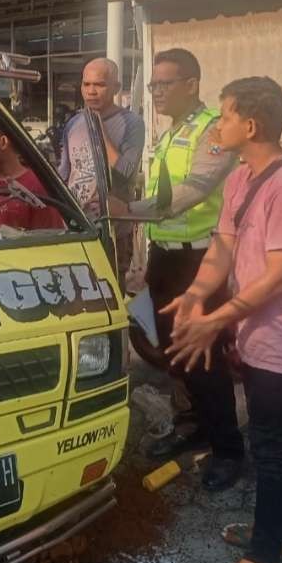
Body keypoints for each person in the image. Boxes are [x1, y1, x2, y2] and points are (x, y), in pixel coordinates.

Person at [166, 76, 282, 563]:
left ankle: (263, 555)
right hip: (260, 334)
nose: (218, 124)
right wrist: (196, 296)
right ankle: (278, 536)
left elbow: (280, 276)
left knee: (271, 442)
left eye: (224, 115)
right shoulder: (242, 177)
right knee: (271, 438)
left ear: (251, 124)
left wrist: (217, 320)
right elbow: (223, 246)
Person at [110, 48, 245, 490]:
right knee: (174, 354)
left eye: (165, 83)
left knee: (202, 357)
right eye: (153, 85)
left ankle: (228, 450)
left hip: (199, 261)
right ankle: (196, 426)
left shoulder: (212, 132)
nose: (157, 92)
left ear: (192, 84)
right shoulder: (170, 134)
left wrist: (129, 209)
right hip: (167, 256)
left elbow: (192, 191)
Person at [59, 58, 145, 279]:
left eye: (99, 85)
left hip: (113, 231)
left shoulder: (131, 123)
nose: (91, 91)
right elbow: (65, 173)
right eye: (86, 84)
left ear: (115, 88)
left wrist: (99, 131)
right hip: (78, 226)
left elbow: (125, 172)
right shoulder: (73, 123)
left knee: (111, 288)